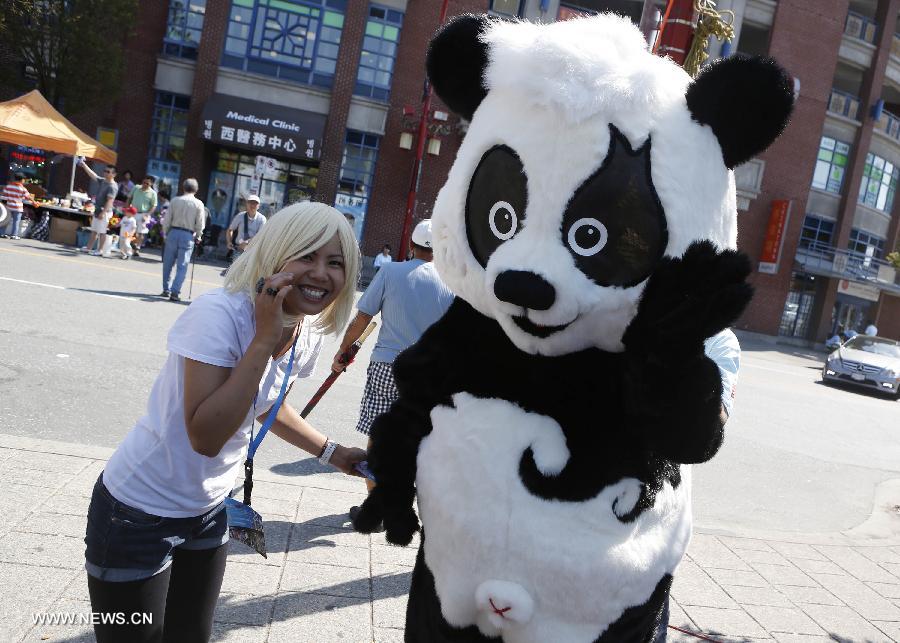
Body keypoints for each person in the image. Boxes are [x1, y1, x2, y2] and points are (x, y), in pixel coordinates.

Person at [84, 202, 366, 643]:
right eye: (306, 255)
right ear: (275, 255)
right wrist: (263, 339)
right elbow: (206, 436)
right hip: (135, 514)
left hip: (209, 510)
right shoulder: (220, 313)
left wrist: (333, 453)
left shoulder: (304, 329)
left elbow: (264, 406)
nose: (321, 273)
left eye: (336, 263)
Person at [331, 220, 454, 513]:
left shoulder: (390, 271)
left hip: (389, 365)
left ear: (411, 246)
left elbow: (362, 318)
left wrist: (342, 353)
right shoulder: (452, 283)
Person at [162, 178, 205, 302]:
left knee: (168, 263)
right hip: (187, 235)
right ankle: (175, 292)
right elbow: (200, 223)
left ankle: (166, 288)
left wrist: (165, 233)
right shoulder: (198, 204)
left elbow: (167, 219)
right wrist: (198, 236)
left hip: (173, 232)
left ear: (183, 187)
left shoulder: (175, 201)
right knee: (182, 265)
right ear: (196, 190)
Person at [78, 161, 118, 256]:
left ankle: (100, 250)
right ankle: (88, 248)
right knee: (94, 231)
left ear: (114, 174)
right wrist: (84, 165)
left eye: (109, 172)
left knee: (102, 232)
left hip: (105, 212)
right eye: (106, 171)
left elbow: (110, 201)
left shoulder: (112, 186)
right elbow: (93, 175)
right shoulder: (103, 181)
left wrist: (103, 213)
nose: (106, 173)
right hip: (98, 210)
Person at [221, 194, 266, 276]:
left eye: (255, 203)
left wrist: (247, 242)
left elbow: (261, 236)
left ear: (258, 206)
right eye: (250, 203)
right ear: (247, 204)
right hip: (239, 249)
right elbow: (230, 230)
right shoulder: (240, 216)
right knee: (235, 274)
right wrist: (229, 242)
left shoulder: (262, 219)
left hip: (253, 251)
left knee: (248, 275)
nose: (252, 205)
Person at [128, 174, 158, 257]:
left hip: (144, 214)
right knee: (130, 230)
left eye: (147, 184)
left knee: (141, 233)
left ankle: (137, 248)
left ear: (151, 184)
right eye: (144, 182)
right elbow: (129, 198)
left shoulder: (153, 193)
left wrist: (147, 215)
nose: (145, 185)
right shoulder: (136, 188)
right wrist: (127, 209)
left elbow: (154, 206)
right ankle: (130, 246)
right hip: (133, 212)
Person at [1, 172, 33, 239]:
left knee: (6, 221)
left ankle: (2, 233)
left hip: (9, 207)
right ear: (22, 180)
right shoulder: (23, 188)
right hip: (18, 208)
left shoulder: (9, 186)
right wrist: (34, 201)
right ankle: (14, 235)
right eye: (24, 179)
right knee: (16, 222)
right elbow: (28, 197)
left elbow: (4, 195)